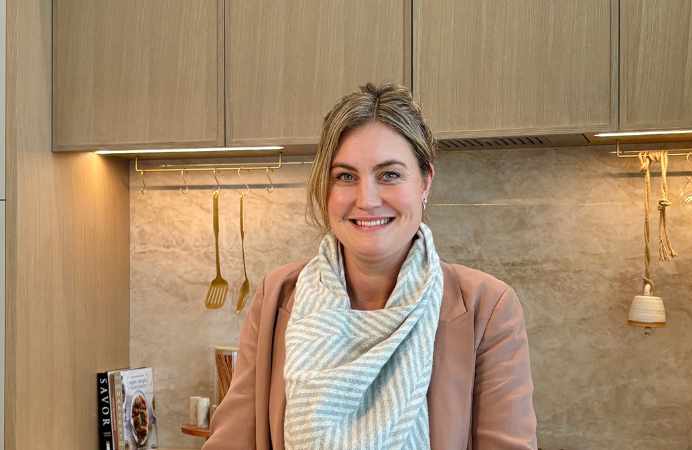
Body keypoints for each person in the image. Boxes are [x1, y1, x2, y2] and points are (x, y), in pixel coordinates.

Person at [202, 82, 537, 450]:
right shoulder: (276, 296)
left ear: (425, 182)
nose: (367, 199)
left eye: (389, 174)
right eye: (345, 176)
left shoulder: (486, 308)